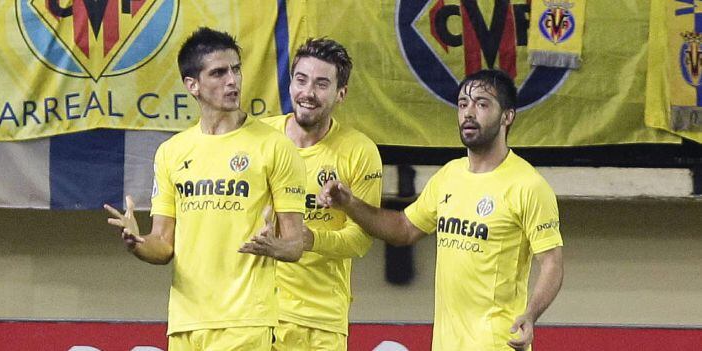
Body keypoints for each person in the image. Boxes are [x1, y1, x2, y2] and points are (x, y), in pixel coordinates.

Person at [319, 69, 564, 351]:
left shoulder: (528, 185)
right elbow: (404, 229)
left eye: (482, 104)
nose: (469, 113)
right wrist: (349, 203)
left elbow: (552, 263)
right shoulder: (449, 175)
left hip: (497, 343)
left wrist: (530, 316)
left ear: (507, 116)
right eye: (463, 104)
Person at [104, 27, 307, 351]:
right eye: (219, 72)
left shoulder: (275, 147)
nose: (233, 80)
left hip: (246, 322)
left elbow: (295, 244)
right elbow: (163, 245)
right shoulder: (171, 152)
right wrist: (137, 243)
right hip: (186, 324)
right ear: (192, 85)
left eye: (236, 69)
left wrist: (274, 246)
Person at [261, 38, 383, 351]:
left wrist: (309, 239)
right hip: (258, 315)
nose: (308, 93)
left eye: (321, 84)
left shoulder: (360, 151)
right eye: (301, 80)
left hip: (322, 322)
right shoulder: (259, 139)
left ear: (341, 93)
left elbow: (360, 240)